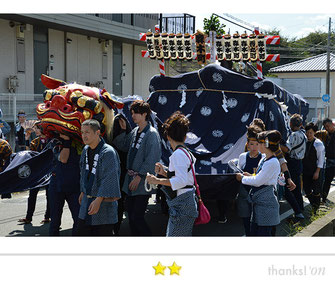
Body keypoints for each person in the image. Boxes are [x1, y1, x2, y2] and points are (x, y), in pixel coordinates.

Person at [113, 100, 161, 236]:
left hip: (141, 180)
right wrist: (122, 130)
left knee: (136, 217)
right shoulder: (135, 131)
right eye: (132, 113)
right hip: (131, 179)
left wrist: (140, 176)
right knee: (132, 218)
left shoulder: (152, 134)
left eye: (136, 113)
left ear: (145, 114)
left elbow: (152, 159)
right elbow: (123, 146)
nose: (133, 116)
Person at [146, 112, 198, 237]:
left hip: (182, 203)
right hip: (187, 201)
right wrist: (164, 173)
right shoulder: (185, 152)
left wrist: (156, 180)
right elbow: (183, 178)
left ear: (168, 136)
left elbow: (181, 181)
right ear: (184, 137)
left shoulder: (178, 154)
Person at [77, 119, 121, 236]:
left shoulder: (108, 152)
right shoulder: (85, 150)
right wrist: (83, 190)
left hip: (103, 205)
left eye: (87, 132)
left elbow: (110, 177)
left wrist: (99, 199)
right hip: (88, 200)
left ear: (97, 133)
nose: (84, 136)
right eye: (82, 132)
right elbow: (83, 172)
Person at [236, 130, 282, 236]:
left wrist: (242, 177)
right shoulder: (264, 159)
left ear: (266, 144)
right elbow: (259, 177)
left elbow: (258, 181)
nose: (258, 145)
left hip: (266, 205)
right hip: (260, 204)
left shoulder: (272, 162)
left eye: (260, 142)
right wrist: (250, 176)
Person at [48, 133, 81, 236]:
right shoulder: (55, 141)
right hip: (57, 184)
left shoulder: (80, 141)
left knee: (79, 219)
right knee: (55, 221)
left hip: (75, 184)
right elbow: (63, 159)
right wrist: (66, 141)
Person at [18, 122, 51, 224]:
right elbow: (29, 154)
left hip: (49, 172)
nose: (35, 130)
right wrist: (27, 139)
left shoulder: (51, 141)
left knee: (49, 195)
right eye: (35, 128)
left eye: (37, 128)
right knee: (32, 195)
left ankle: (47, 216)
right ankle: (28, 217)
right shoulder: (35, 142)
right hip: (37, 172)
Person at [236, 125, 263, 236]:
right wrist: (240, 175)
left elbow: (262, 177)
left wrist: (249, 176)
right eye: (252, 144)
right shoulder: (243, 157)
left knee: (257, 220)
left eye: (257, 144)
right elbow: (238, 173)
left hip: (258, 192)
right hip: (244, 192)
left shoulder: (264, 157)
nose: (254, 147)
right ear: (247, 144)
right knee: (246, 220)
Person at [281, 114, 307, 212]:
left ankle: (298, 211)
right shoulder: (303, 134)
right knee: (296, 190)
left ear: (290, 123)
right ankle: (300, 209)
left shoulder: (294, 135)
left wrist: (276, 144)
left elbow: (287, 149)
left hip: (292, 163)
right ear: (300, 124)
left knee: (288, 190)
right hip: (299, 163)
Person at [302, 122, 325, 214]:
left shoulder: (318, 144)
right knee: (307, 190)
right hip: (306, 169)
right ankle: (314, 205)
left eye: (310, 132)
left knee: (316, 190)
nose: (308, 134)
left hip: (316, 170)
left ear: (314, 132)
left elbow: (321, 159)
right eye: (307, 132)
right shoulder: (304, 141)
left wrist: (317, 172)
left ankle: (315, 209)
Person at [316, 118, 335, 204]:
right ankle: (323, 198)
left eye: (328, 126)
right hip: (329, 161)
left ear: (332, 124)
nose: (327, 128)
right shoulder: (325, 134)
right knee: (327, 181)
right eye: (325, 126)